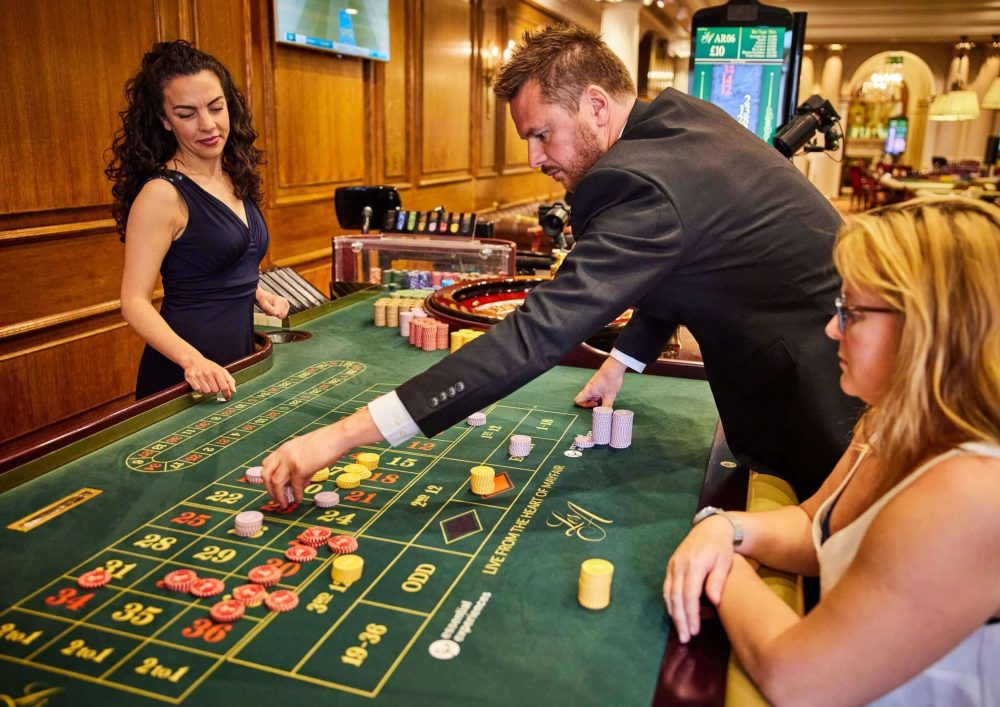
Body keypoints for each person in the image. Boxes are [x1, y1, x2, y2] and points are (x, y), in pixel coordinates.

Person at [260, 23, 863, 504]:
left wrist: (339, 436)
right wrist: (622, 362)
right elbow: (682, 265)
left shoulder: (639, 182)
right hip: (832, 370)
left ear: (597, 105)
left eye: (542, 134)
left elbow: (533, 337)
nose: (532, 157)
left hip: (822, 406)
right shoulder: (682, 123)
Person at [665, 198, 1000, 705]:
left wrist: (723, 568)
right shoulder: (891, 419)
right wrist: (724, 527)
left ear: (926, 328)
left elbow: (800, 679)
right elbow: (813, 528)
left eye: (851, 312)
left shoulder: (971, 489)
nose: (830, 329)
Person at [107, 40, 288, 400]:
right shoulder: (161, 193)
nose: (208, 125)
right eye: (187, 114)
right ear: (164, 120)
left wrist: (256, 292)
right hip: (185, 376)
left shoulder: (235, 174)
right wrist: (193, 361)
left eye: (216, 107)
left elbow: (210, 268)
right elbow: (134, 302)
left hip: (238, 363)